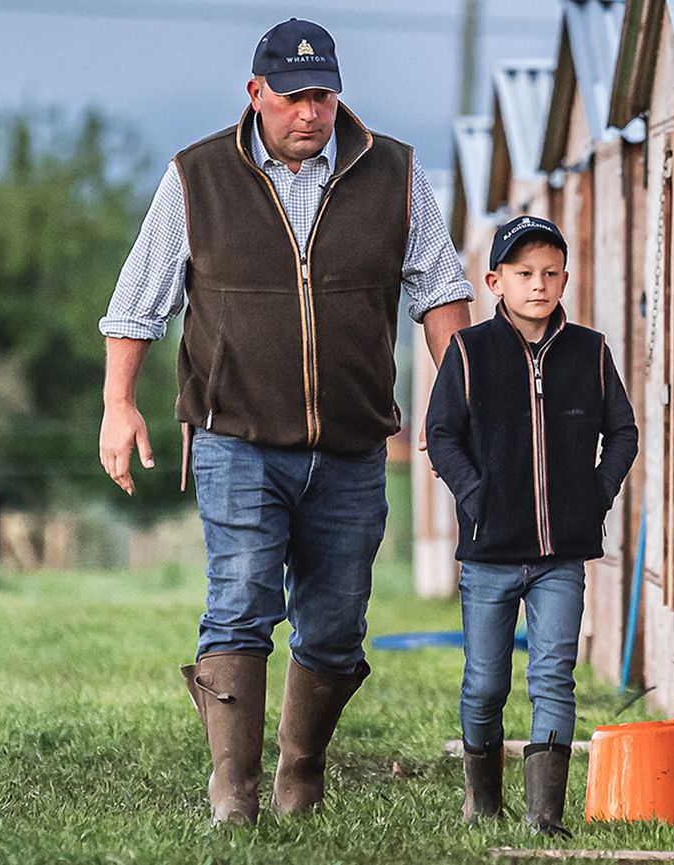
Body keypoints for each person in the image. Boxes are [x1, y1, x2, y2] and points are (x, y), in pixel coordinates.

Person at [96, 18, 473, 824]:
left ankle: (300, 768)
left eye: (325, 95)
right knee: (238, 597)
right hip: (236, 435)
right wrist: (118, 404)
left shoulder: (396, 175)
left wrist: (469, 402)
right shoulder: (196, 177)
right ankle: (232, 790)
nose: (311, 112)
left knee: (337, 621)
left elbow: (440, 292)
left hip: (352, 442)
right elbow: (139, 301)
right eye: (296, 96)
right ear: (256, 92)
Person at [423, 216, 638, 835]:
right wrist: (476, 495)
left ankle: (546, 816)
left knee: (552, 673)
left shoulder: (590, 352)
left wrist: (596, 494)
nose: (537, 285)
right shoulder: (468, 353)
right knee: (487, 683)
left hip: (561, 555)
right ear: (495, 282)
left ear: (565, 279)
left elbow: (622, 431)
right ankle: (482, 798)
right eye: (523, 274)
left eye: (549, 274)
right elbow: (441, 435)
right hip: (489, 552)